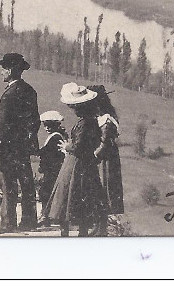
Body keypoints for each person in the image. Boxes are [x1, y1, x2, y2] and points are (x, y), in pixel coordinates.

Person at [46, 83, 109, 237]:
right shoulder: (90, 121)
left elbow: (80, 147)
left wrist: (68, 147)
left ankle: (68, 234)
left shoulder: (85, 123)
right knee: (81, 200)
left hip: (77, 165)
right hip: (84, 165)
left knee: (69, 199)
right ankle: (81, 233)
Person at [0, 52, 40, 234]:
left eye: (3, 68)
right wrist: (28, 140)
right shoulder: (30, 91)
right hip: (23, 147)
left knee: (8, 185)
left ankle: (7, 223)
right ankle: (29, 221)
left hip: (8, 148)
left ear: (10, 70)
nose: (1, 72)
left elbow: (1, 126)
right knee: (26, 184)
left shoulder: (8, 95)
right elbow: (35, 121)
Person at [91, 84, 124, 216]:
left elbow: (105, 143)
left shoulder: (106, 120)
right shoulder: (103, 117)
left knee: (107, 186)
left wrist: (94, 155)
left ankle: (105, 221)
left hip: (106, 158)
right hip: (106, 156)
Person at [36, 110, 67, 225]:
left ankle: (46, 216)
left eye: (50, 125)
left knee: (46, 191)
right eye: (45, 125)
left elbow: (49, 155)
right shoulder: (56, 136)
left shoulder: (55, 137)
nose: (47, 128)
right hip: (53, 169)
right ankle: (48, 215)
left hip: (53, 169)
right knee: (48, 191)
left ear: (57, 125)